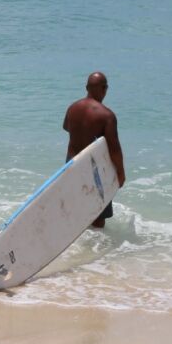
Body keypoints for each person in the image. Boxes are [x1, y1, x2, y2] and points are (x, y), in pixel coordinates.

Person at [63, 71, 126, 228]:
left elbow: (66, 127)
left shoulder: (72, 108)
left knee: (78, 210)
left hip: (71, 165)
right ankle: (95, 248)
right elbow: (114, 149)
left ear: (86, 87)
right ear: (104, 89)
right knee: (98, 217)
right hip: (94, 170)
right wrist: (120, 173)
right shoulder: (107, 116)